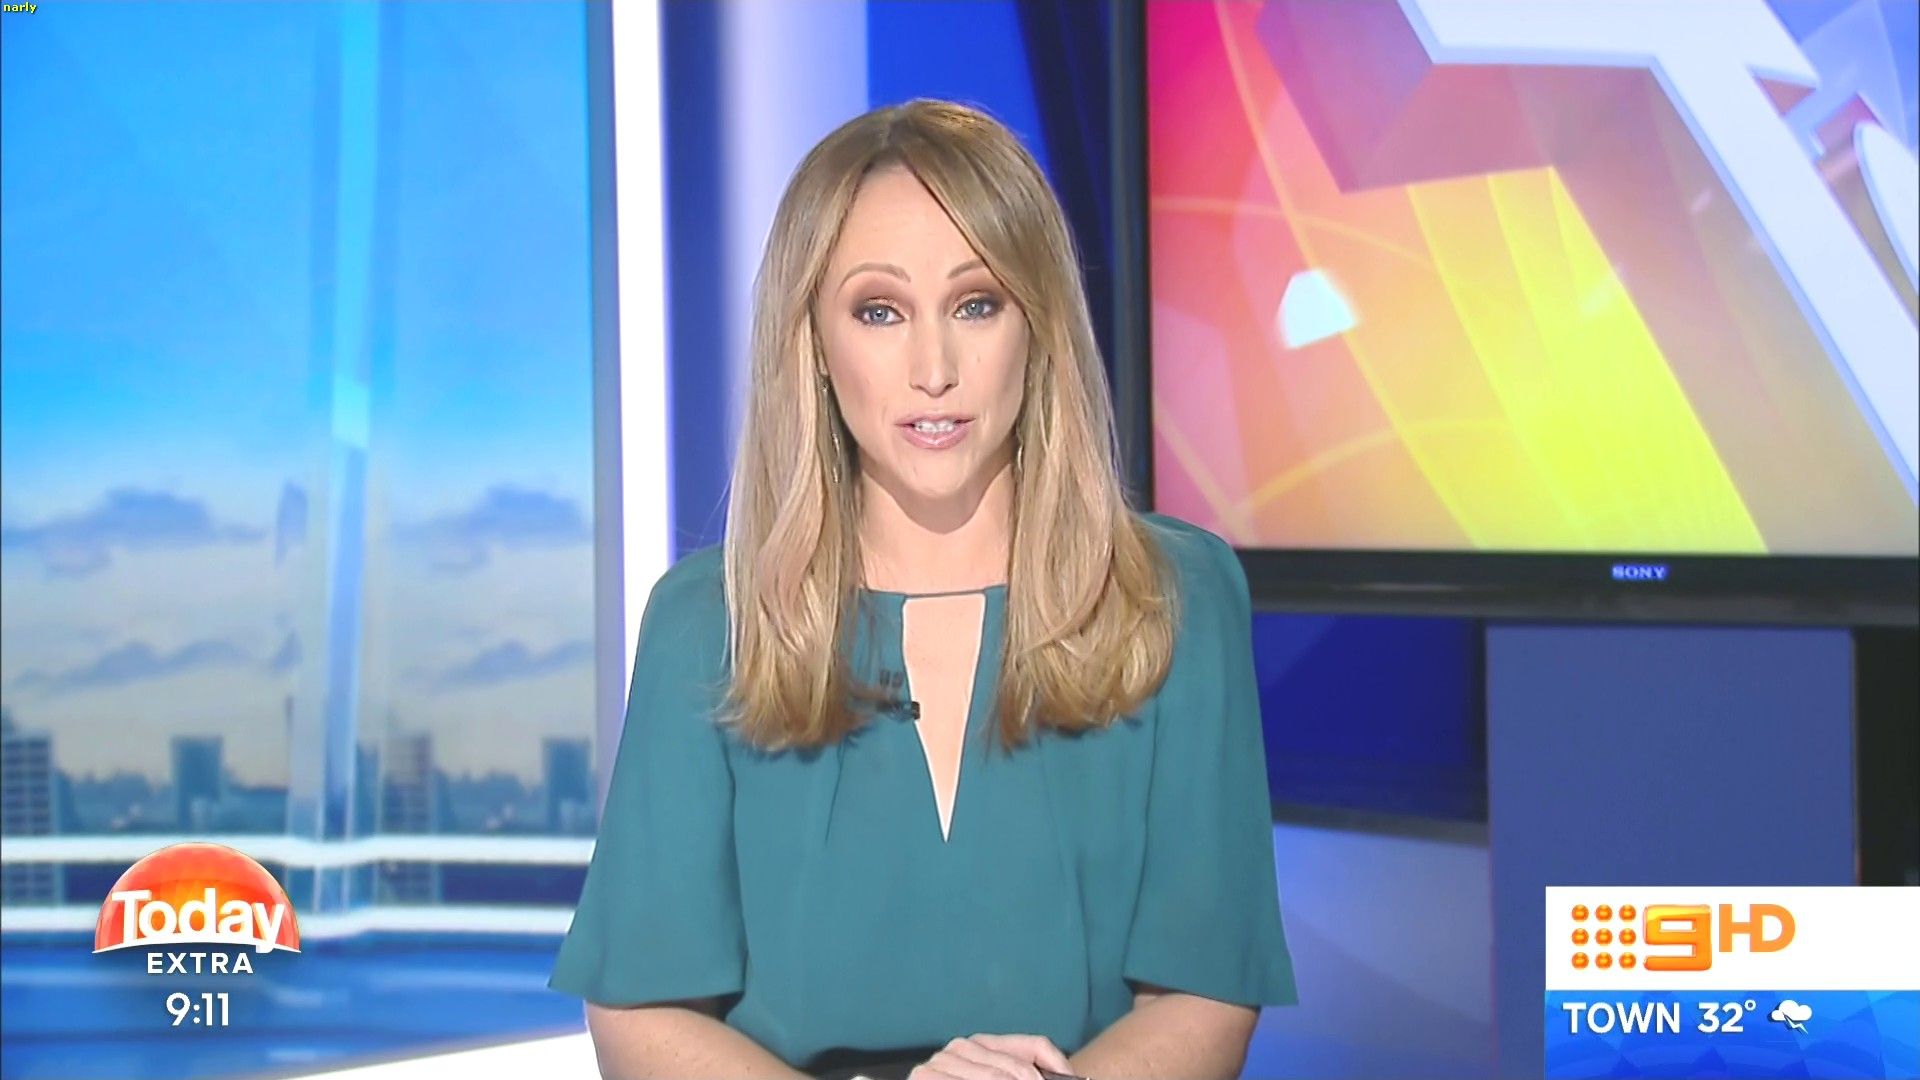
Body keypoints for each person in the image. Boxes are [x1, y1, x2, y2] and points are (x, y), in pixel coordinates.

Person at [549, 99, 1296, 1080]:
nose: (933, 369)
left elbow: (1206, 996)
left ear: (1039, 326)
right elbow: (640, 1015)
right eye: (880, 311)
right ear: (815, 343)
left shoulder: (1175, 598)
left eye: (976, 304)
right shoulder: (707, 624)